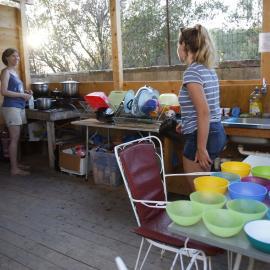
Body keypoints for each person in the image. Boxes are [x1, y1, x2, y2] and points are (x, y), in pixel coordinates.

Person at [176, 24, 227, 191]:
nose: (178, 48)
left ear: (184, 45)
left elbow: (204, 111)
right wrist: (186, 122)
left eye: (178, 44)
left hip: (202, 136)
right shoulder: (208, 70)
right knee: (208, 190)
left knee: (200, 194)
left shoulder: (192, 73)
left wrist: (200, 147)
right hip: (216, 131)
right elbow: (206, 108)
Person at [1, 48, 32, 176]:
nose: (17, 58)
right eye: (13, 56)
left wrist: (26, 93)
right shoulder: (6, 72)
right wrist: (21, 94)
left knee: (17, 138)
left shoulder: (15, 73)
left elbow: (15, 91)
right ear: (6, 58)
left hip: (19, 107)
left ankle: (16, 163)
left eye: (17, 56)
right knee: (14, 138)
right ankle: (14, 169)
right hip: (11, 107)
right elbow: (4, 92)